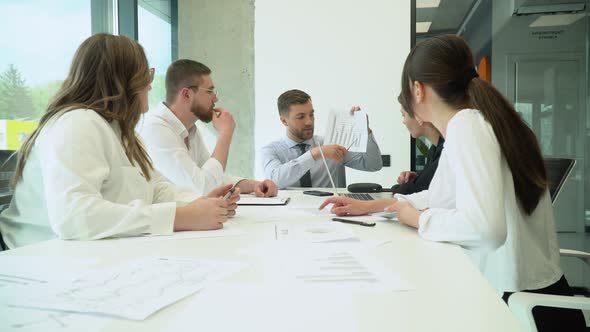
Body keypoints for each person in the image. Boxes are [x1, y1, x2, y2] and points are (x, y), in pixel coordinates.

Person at [322, 35, 585, 331]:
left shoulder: (467, 126)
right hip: (530, 298)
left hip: (520, 309)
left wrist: (419, 219)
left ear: (417, 90)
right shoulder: (476, 122)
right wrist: (380, 206)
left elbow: (486, 230)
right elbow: (440, 196)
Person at [0, 34, 239, 249]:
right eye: (146, 75)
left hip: (84, 255)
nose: (150, 84)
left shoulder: (123, 132)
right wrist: (179, 217)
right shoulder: (76, 123)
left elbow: (156, 189)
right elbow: (73, 217)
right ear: (121, 81)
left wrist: (201, 204)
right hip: (36, 260)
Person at [138, 59, 278, 197]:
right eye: (209, 91)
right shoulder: (156, 130)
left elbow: (213, 176)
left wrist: (254, 185)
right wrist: (225, 134)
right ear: (186, 94)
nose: (215, 99)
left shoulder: (191, 130)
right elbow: (202, 189)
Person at [260, 89, 383, 189]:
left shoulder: (330, 143)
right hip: (289, 215)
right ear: (284, 120)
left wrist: (365, 131)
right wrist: (315, 153)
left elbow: (373, 165)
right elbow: (274, 182)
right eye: (301, 117)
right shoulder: (270, 150)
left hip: (332, 213)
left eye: (311, 114)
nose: (309, 122)